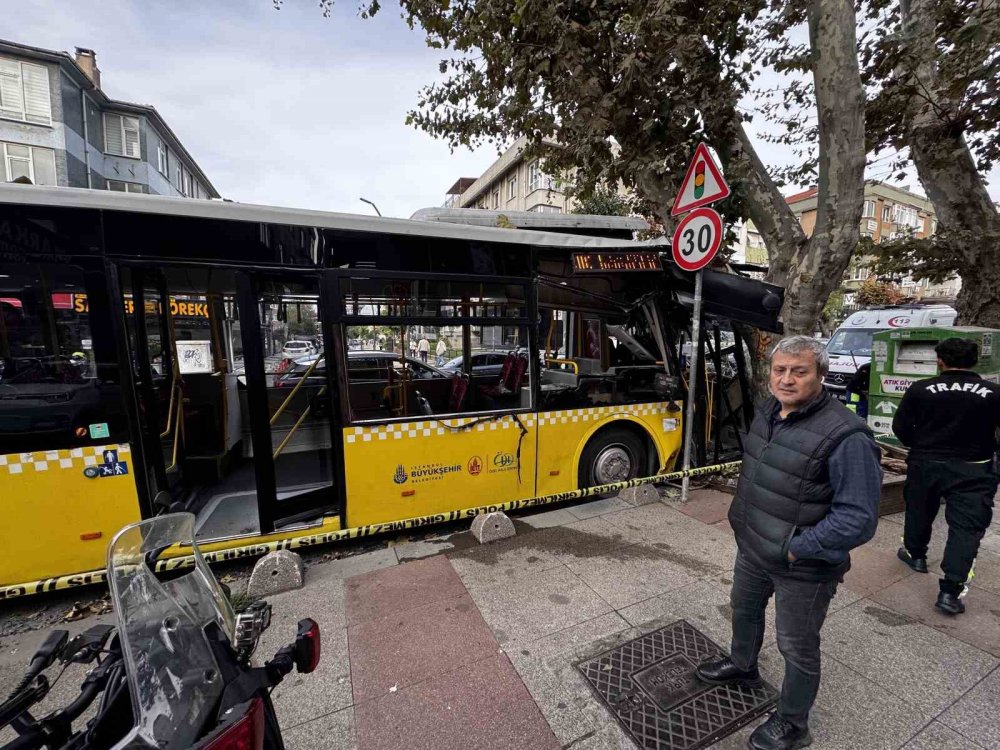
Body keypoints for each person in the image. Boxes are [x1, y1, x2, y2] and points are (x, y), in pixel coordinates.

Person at [696, 336, 882, 750]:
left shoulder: (847, 436)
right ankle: (743, 665)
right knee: (743, 610)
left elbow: (858, 519)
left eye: (799, 371)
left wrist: (797, 547)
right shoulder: (768, 410)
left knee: (796, 646)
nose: (787, 379)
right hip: (754, 546)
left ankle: (794, 724)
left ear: (821, 375)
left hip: (803, 563)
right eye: (780, 370)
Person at [891, 337, 1000, 615]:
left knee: (918, 510)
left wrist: (922, 445)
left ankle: (915, 555)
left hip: (926, 462)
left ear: (940, 360)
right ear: (975, 362)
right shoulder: (994, 392)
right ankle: (950, 592)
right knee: (967, 529)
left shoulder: (921, 389)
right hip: (975, 468)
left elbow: (900, 427)